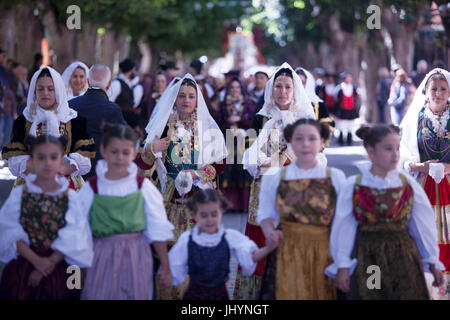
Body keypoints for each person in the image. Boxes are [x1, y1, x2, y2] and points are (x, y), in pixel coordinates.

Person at [326, 124, 444, 299]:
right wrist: (342, 265)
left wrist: (432, 260)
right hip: (369, 257)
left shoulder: (407, 184)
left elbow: (422, 225)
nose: (395, 154)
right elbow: (344, 228)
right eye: (388, 149)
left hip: (403, 256)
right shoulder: (355, 185)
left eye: (397, 148)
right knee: (373, 293)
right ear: (370, 151)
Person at [138, 74, 226, 299]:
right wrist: (153, 148)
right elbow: (141, 162)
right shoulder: (163, 126)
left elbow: (221, 162)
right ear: (174, 99)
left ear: (197, 100)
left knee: (198, 250)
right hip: (168, 198)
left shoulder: (205, 126)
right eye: (182, 96)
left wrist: (197, 173)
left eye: (191, 96)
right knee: (169, 250)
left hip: (198, 198)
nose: (186, 100)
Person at [233, 62, 316, 300]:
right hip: (264, 187)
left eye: (287, 87)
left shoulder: (304, 120)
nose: (282, 92)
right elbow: (247, 151)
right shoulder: (261, 119)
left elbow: (315, 156)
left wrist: (283, 160)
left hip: (294, 189)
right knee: (263, 233)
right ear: (271, 89)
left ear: (295, 89)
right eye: (278, 86)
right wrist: (260, 162)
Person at [79, 123, 174, 300]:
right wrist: (80, 269)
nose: (119, 158)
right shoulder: (92, 188)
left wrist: (166, 267)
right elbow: (80, 230)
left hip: (135, 255)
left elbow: (156, 229)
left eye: (125, 152)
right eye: (114, 152)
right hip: (101, 255)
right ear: (103, 150)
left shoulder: (142, 187)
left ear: (134, 154)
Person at [258, 119, 345, 299]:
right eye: (299, 139)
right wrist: (270, 233)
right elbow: (266, 215)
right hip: (286, 252)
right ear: (290, 142)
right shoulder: (275, 177)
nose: (305, 144)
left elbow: (344, 223)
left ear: (322, 142)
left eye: (312, 139)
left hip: (325, 251)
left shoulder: (335, 178)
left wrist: (343, 263)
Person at [0, 134, 93, 299]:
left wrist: (49, 263)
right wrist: (37, 261)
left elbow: (75, 234)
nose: (48, 163)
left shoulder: (71, 197)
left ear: (62, 161)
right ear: (31, 161)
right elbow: (11, 231)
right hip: (26, 263)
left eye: (53, 157)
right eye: (41, 157)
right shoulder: (20, 195)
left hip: (61, 265)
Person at [167, 189, 277, 300]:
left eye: (214, 215)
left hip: (220, 296)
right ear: (194, 215)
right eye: (204, 215)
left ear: (221, 212)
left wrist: (268, 248)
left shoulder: (229, 237)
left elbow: (251, 256)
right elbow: (174, 267)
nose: (209, 220)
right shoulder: (187, 239)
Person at [399, 68, 450, 300]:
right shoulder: (415, 119)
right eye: (433, 89)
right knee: (425, 238)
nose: (438, 93)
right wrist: (422, 167)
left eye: (443, 89)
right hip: (422, 189)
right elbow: (403, 157)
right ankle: (428, 291)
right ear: (425, 92)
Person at [1, 67, 95, 190]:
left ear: (58, 91)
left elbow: (84, 158)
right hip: (31, 183)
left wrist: (64, 168)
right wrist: (37, 170)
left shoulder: (74, 120)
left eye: (50, 89)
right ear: (34, 92)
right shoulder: (23, 120)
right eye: (40, 89)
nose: (45, 93)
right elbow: (15, 160)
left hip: (67, 184)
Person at [69, 64, 127, 178]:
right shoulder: (112, 109)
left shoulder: (71, 104)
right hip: (101, 171)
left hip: (74, 169)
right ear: (109, 84)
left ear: (88, 82)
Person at [217, 77, 256, 212]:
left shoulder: (248, 103)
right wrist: (228, 125)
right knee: (227, 171)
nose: (234, 90)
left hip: (244, 141)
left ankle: (243, 204)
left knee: (243, 170)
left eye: (237, 87)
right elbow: (218, 123)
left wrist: (240, 121)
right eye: (232, 88)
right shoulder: (223, 104)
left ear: (241, 89)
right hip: (227, 141)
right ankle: (229, 204)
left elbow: (253, 122)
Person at [109, 58, 144, 135]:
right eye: (134, 70)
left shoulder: (128, 84)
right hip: (117, 122)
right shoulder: (116, 84)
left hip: (126, 122)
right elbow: (109, 102)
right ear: (131, 70)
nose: (135, 72)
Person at [334, 72, 360, 145]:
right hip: (342, 110)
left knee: (350, 125)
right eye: (347, 78)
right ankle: (341, 139)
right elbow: (336, 99)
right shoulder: (339, 88)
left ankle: (349, 139)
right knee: (341, 125)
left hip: (351, 110)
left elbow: (356, 98)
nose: (349, 80)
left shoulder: (353, 88)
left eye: (349, 78)